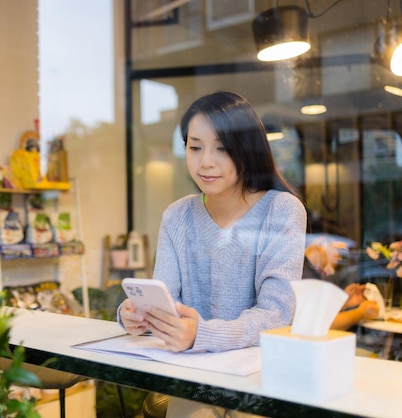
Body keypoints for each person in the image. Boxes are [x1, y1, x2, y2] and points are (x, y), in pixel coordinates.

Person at [118, 91, 307, 417]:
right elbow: (164, 301)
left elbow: (277, 315)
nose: (205, 161)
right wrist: (136, 315)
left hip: (261, 381)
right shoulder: (177, 216)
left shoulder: (282, 210)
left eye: (221, 147)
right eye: (195, 147)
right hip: (192, 378)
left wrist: (200, 334)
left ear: (246, 149)